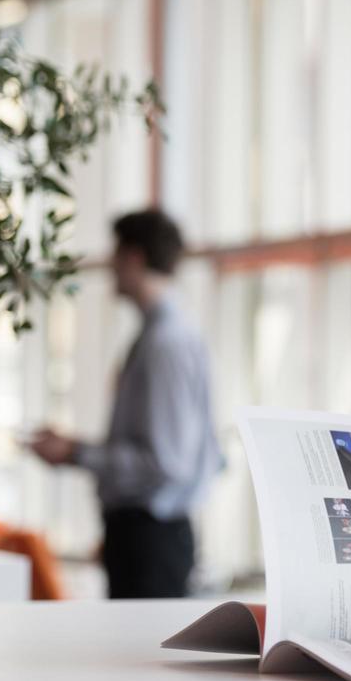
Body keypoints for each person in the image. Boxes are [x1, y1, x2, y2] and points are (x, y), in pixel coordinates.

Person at [27, 209, 223, 598]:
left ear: (133, 258)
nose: (110, 266)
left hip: (151, 539)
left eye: (115, 254)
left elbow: (166, 463)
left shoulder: (167, 344)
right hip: (144, 535)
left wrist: (75, 452)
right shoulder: (164, 336)